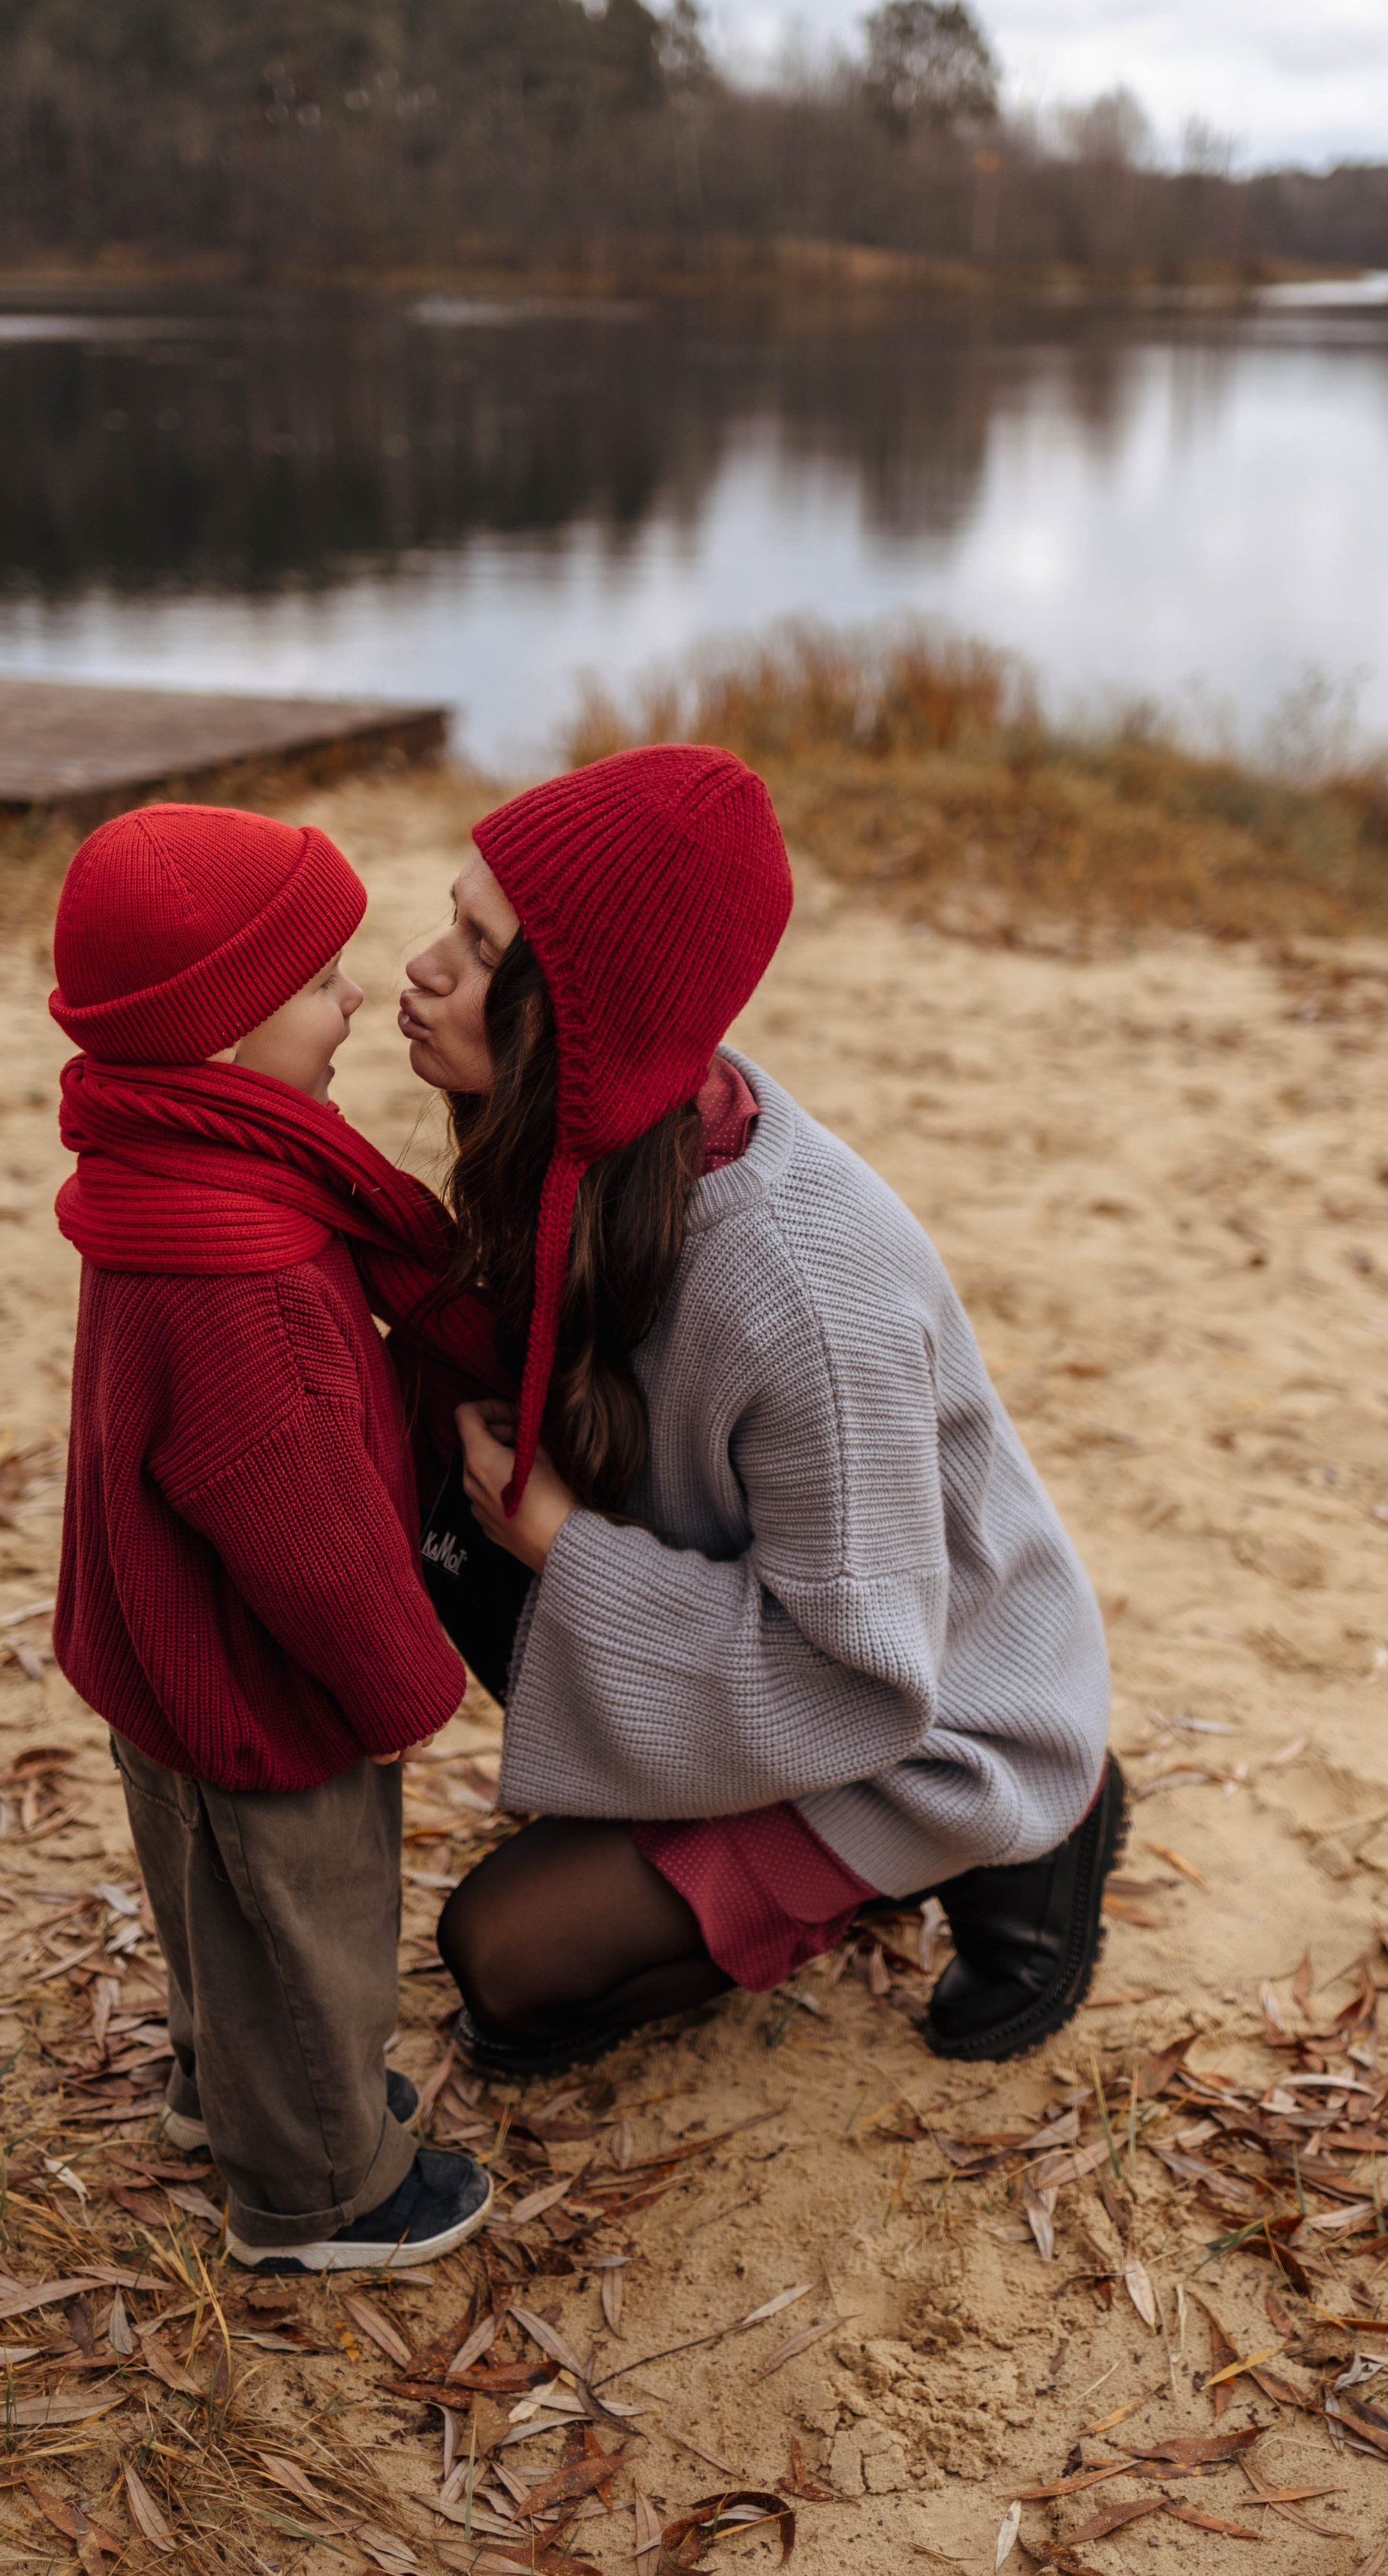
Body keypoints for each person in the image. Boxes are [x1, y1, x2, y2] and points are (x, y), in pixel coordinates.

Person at [397, 744, 1120, 2080]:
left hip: (926, 1709)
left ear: (586, 1010)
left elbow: (858, 1674)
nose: (425, 967)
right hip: (763, 1615)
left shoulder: (800, 1293)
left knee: (506, 1969)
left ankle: (1031, 1826)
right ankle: (765, 1864)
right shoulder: (599, 1140)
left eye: (483, 950)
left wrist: (558, 1540)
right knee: (445, 1525)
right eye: (452, 918)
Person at [47, 801, 497, 2270]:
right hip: (260, 1681)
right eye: (312, 985)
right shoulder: (239, 1261)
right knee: (303, 1923)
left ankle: (212, 2088)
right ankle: (319, 2192)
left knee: (209, 1910)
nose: (356, 993)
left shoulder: (163, 1166)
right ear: (216, 1041)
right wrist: (397, 1688)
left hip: (159, 1655)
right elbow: (297, 1526)